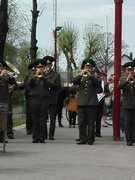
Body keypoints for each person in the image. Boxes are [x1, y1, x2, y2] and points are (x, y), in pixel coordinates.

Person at [73, 58, 102, 145]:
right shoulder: (81, 76)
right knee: (81, 122)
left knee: (91, 122)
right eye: (86, 67)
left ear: (92, 68)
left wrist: (91, 76)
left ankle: (90, 139)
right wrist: (81, 75)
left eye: (89, 67)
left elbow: (98, 84)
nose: (87, 69)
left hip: (91, 102)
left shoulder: (95, 76)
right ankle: (82, 138)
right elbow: (74, 82)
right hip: (81, 102)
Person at [27, 59, 51, 143]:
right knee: (34, 118)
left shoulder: (47, 76)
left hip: (44, 99)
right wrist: (35, 76)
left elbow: (50, 84)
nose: (39, 69)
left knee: (42, 118)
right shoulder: (32, 76)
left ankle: (42, 137)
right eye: (38, 67)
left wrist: (43, 77)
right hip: (33, 99)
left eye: (41, 67)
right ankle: (35, 137)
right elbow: (29, 84)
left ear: (44, 68)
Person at [43, 56, 61, 140]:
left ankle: (51, 135)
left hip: (52, 97)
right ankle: (44, 134)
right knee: (43, 117)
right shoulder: (41, 74)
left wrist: (51, 84)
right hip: (43, 98)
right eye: (46, 64)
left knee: (53, 118)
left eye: (49, 64)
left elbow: (59, 87)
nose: (48, 66)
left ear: (52, 65)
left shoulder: (56, 75)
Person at [117, 61, 135, 146]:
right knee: (127, 123)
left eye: (132, 70)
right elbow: (119, 87)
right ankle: (129, 140)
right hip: (126, 104)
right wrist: (127, 80)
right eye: (129, 70)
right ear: (126, 71)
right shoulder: (122, 79)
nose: (130, 72)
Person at [0, 59, 16, 143]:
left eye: (2, 67)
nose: (1, 68)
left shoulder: (6, 76)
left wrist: (11, 77)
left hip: (5, 99)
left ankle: (4, 136)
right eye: (0, 67)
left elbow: (14, 84)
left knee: (5, 118)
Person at [19, 62, 36, 135]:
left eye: (34, 70)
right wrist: (23, 84)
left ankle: (35, 129)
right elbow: (22, 86)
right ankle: (29, 129)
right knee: (28, 114)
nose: (33, 71)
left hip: (36, 97)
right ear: (30, 71)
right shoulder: (27, 77)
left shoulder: (38, 76)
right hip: (28, 96)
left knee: (35, 114)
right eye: (32, 70)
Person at [95, 72, 110, 137]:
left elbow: (108, 92)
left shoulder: (105, 84)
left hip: (101, 102)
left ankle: (98, 132)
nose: (102, 78)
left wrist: (104, 94)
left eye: (103, 76)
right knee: (92, 118)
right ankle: (91, 132)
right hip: (93, 101)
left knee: (98, 117)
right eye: (101, 76)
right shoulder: (95, 82)